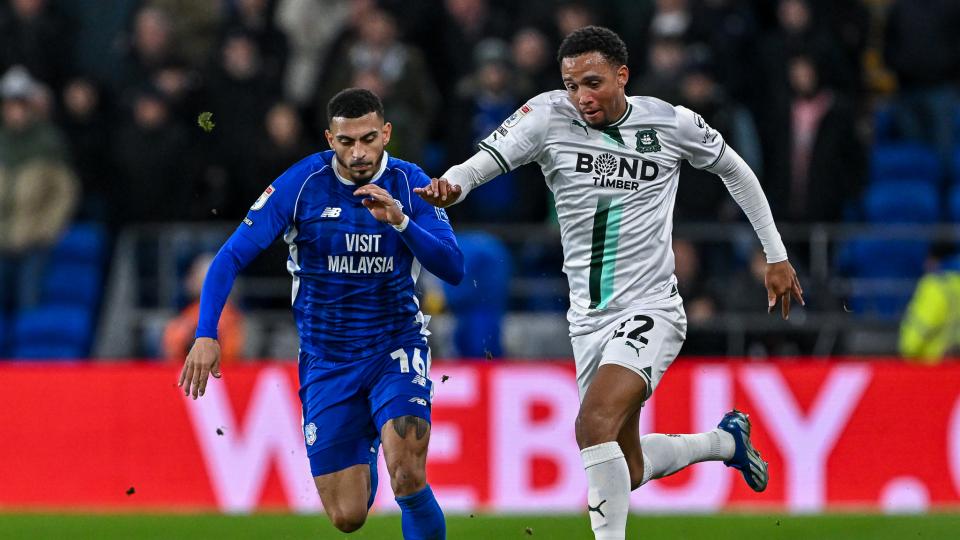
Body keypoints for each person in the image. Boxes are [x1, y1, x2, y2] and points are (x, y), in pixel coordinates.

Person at [416, 26, 803, 540]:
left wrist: (775, 255)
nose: (581, 97)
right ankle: (724, 442)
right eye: (571, 84)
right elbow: (482, 162)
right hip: (587, 321)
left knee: (591, 425)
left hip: (652, 309)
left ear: (623, 76)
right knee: (628, 467)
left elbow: (737, 171)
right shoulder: (546, 115)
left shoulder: (669, 122)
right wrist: (452, 186)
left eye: (592, 83)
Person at [179, 88, 462, 539]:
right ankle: (365, 439)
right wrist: (206, 332)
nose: (359, 152)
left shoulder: (410, 184)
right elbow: (230, 256)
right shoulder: (301, 185)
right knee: (347, 517)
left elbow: (453, 267)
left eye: (368, 139)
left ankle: (385, 437)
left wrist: (402, 223)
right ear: (330, 139)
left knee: (407, 473)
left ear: (386, 133)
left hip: (395, 346)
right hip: (327, 359)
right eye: (346, 142)